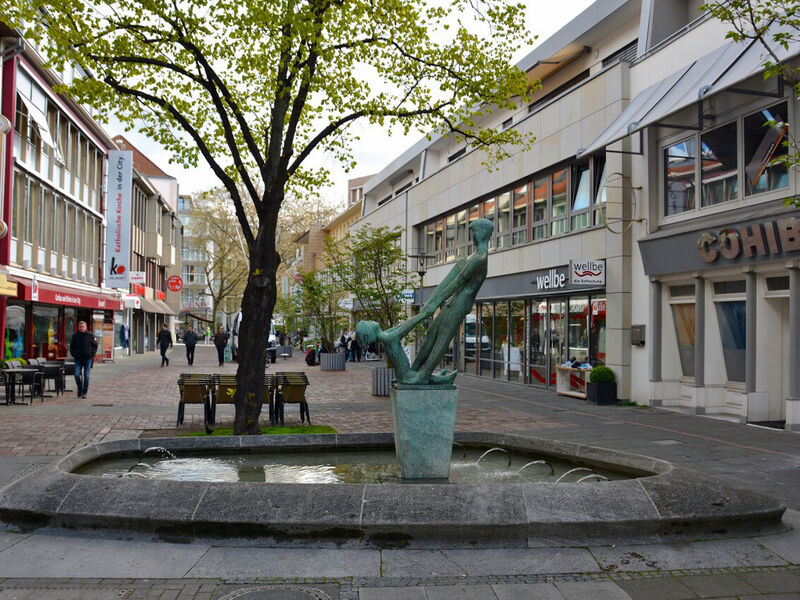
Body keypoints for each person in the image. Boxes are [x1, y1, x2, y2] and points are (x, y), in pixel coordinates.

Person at [356, 218, 492, 385]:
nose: (473, 236)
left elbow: (458, 282)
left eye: (474, 232)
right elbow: (448, 281)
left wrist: (434, 304)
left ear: (483, 233)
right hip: (453, 300)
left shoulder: (480, 258)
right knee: (432, 333)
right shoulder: (470, 258)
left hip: (461, 302)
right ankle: (416, 370)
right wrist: (431, 302)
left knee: (442, 337)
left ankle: (424, 374)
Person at [69, 321, 97, 398]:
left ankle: (84, 392)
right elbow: (72, 346)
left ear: (86, 327)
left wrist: (92, 354)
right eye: (80, 327)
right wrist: (74, 354)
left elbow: (95, 346)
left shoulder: (90, 335)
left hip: (88, 358)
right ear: (78, 327)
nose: (81, 328)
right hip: (78, 358)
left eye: (83, 326)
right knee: (77, 374)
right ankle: (80, 388)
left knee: (86, 376)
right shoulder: (75, 336)